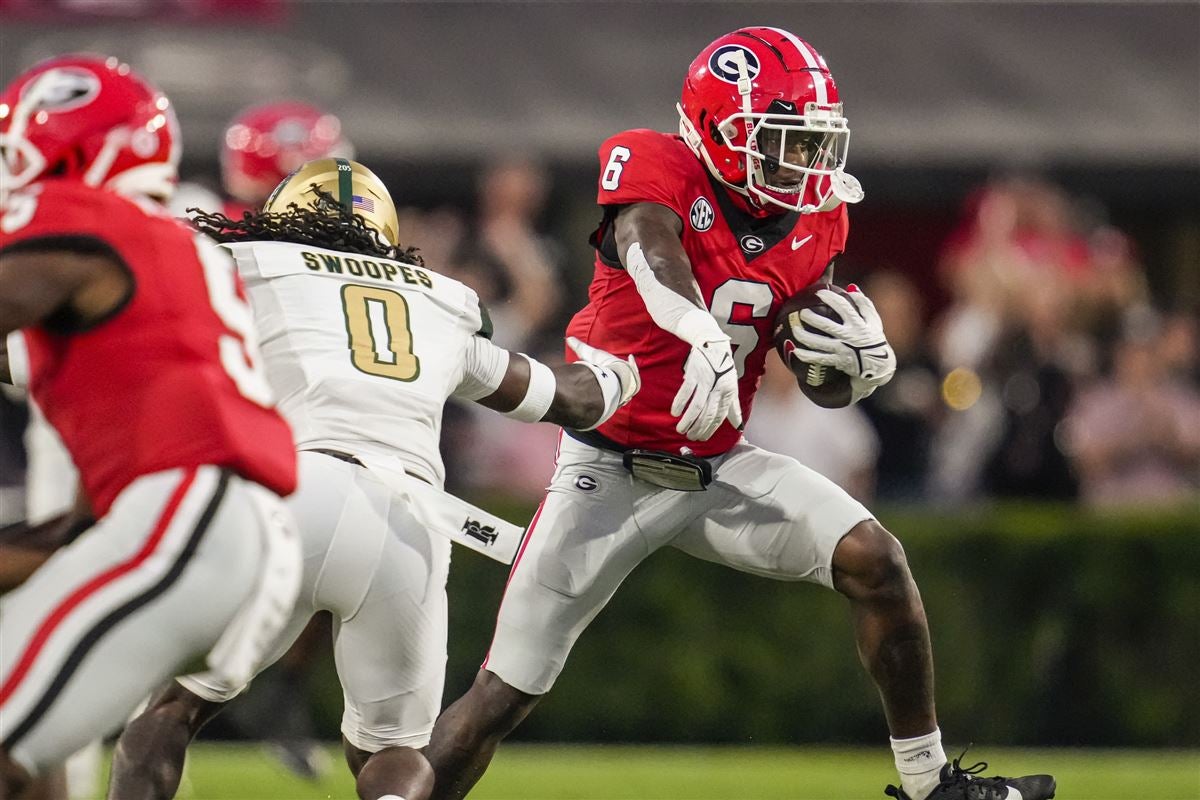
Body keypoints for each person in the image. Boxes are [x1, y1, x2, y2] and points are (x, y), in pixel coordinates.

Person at [424, 28, 1056, 800]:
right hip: (608, 463)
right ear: (717, 130)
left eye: (812, 144)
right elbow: (645, 240)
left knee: (877, 560)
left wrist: (856, 369)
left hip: (719, 464)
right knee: (501, 695)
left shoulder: (820, 218)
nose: (803, 165)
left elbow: (809, 366)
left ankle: (930, 785)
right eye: (783, 142)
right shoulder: (655, 162)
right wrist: (695, 329)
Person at [108, 158, 640, 800]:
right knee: (392, 752)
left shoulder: (248, 266)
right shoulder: (438, 301)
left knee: (165, 715)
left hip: (293, 494)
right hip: (412, 521)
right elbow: (565, 398)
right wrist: (631, 372)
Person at [0, 54, 302, 798]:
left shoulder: (84, 218)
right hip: (206, 520)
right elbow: (94, 512)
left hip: (191, 515)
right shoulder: (163, 246)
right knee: (30, 742)